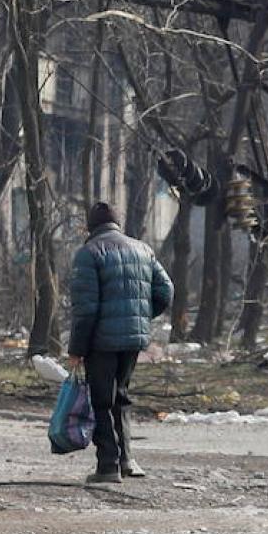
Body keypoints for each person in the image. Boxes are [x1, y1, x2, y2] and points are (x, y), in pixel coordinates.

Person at [68, 202, 175, 484]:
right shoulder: (143, 249)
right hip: (133, 338)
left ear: (90, 226)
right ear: (118, 223)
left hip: (101, 340)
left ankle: (108, 465)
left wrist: (77, 349)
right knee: (121, 396)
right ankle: (128, 459)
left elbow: (86, 309)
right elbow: (166, 290)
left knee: (102, 400)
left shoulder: (89, 253)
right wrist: (139, 316)